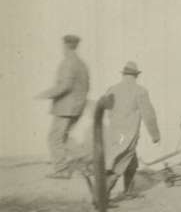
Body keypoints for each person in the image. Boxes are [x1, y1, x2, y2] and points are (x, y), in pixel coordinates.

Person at [102, 61, 160, 198]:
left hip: (113, 134)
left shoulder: (112, 89)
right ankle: (102, 199)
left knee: (131, 163)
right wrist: (155, 135)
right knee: (118, 165)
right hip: (128, 135)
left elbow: (107, 111)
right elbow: (149, 115)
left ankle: (128, 191)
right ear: (136, 76)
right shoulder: (140, 91)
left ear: (123, 75)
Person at [38, 34, 91, 178]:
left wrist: (46, 94)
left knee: (54, 138)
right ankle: (87, 161)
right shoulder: (82, 64)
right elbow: (87, 86)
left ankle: (61, 170)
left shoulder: (68, 62)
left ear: (66, 46)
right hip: (77, 108)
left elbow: (65, 86)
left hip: (65, 109)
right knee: (64, 137)